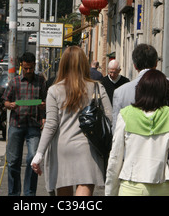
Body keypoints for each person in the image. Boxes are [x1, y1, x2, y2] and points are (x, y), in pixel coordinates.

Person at [31, 46, 112, 197]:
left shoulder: (54, 90)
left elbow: (51, 124)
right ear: (83, 64)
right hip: (88, 147)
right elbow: (110, 117)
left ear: (63, 64)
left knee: (64, 190)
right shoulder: (96, 87)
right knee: (85, 185)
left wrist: (39, 153)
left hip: (62, 148)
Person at [105, 69, 169, 196]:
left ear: (140, 90)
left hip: (130, 185)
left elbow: (115, 156)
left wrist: (110, 190)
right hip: (163, 186)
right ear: (164, 92)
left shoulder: (126, 115)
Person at [112, 43, 169, 154]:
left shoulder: (120, 92)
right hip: (165, 156)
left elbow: (116, 132)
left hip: (133, 156)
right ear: (156, 63)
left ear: (135, 65)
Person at [2, 52, 47, 196]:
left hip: (33, 125)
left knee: (33, 159)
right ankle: (14, 193)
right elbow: (5, 101)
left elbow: (47, 101)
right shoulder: (14, 82)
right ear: (22, 66)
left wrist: (43, 108)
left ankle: (29, 194)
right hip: (16, 125)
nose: (28, 71)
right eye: (26, 68)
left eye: (31, 68)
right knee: (13, 161)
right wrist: (10, 105)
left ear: (34, 66)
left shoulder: (41, 81)